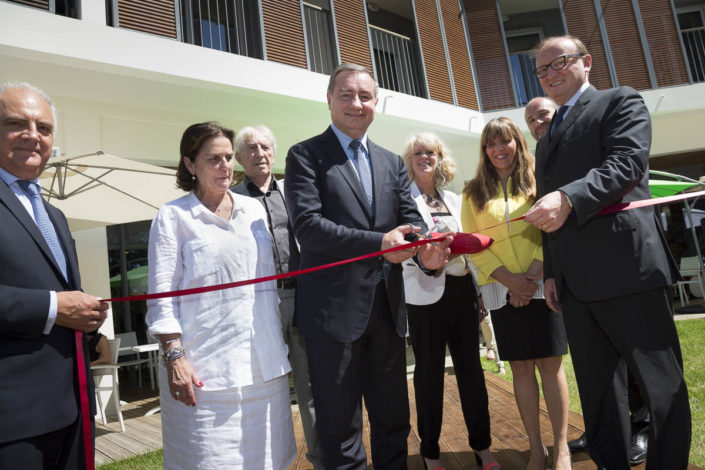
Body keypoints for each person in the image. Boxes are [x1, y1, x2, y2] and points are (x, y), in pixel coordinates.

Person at [524, 35, 691, 469]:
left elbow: (626, 163)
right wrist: (552, 274)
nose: (551, 74)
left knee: (660, 387)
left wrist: (569, 197)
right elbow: (548, 211)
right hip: (575, 285)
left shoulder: (620, 101)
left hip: (628, 270)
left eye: (559, 62)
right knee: (598, 394)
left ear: (587, 62)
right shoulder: (545, 139)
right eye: (543, 70)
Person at [284, 63, 452, 470]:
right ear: (329, 100)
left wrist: (426, 255)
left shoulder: (393, 162)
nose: (356, 104)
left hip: (386, 314)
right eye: (346, 95)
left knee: (393, 422)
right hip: (331, 316)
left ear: (376, 103)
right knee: (340, 429)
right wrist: (380, 243)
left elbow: (409, 223)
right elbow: (309, 227)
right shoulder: (304, 156)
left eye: (365, 96)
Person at [146, 122, 295, 469]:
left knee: (269, 461)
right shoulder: (173, 217)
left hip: (264, 369)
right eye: (214, 159)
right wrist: (175, 358)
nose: (225, 165)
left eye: (229, 157)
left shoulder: (253, 210)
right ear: (189, 164)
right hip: (205, 374)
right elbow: (161, 297)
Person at [524, 95, 652, 463]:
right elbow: (551, 226)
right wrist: (551, 273)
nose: (537, 123)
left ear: (561, 113)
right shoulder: (545, 156)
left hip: (620, 267)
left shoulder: (592, 132)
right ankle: (606, 432)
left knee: (634, 361)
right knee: (597, 370)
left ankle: (642, 430)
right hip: (574, 278)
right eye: (531, 120)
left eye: (543, 115)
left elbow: (621, 172)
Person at [0, 82, 109, 468]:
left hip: (72, 410)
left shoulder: (55, 216)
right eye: (17, 124)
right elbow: (53, 302)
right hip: (12, 423)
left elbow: (62, 292)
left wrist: (90, 321)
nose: (33, 136)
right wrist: (53, 307)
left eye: (43, 128)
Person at [461, 117, 571, 470]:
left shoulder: (542, 182)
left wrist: (533, 277)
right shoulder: (471, 192)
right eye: (491, 144)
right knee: (522, 368)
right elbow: (473, 245)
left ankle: (563, 448)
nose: (498, 149)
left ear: (518, 144)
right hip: (502, 288)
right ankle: (536, 449)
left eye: (505, 141)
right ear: (484, 150)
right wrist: (512, 282)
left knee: (550, 366)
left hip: (543, 283)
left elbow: (554, 228)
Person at [400, 133, 499, 470]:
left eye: (431, 152)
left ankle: (483, 448)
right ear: (409, 159)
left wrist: (479, 289)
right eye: (418, 152)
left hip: (462, 292)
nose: (424, 157)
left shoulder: (454, 200)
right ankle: (430, 452)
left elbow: (471, 248)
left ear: (440, 158)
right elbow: (401, 250)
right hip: (424, 297)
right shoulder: (402, 199)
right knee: (428, 375)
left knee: (471, 371)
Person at [232, 125, 322, 469]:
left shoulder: (293, 193)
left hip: (301, 299)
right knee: (264, 388)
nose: (259, 153)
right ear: (240, 157)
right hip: (259, 303)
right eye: (251, 148)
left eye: (265, 146)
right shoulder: (233, 200)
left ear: (274, 152)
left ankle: (319, 461)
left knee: (310, 386)